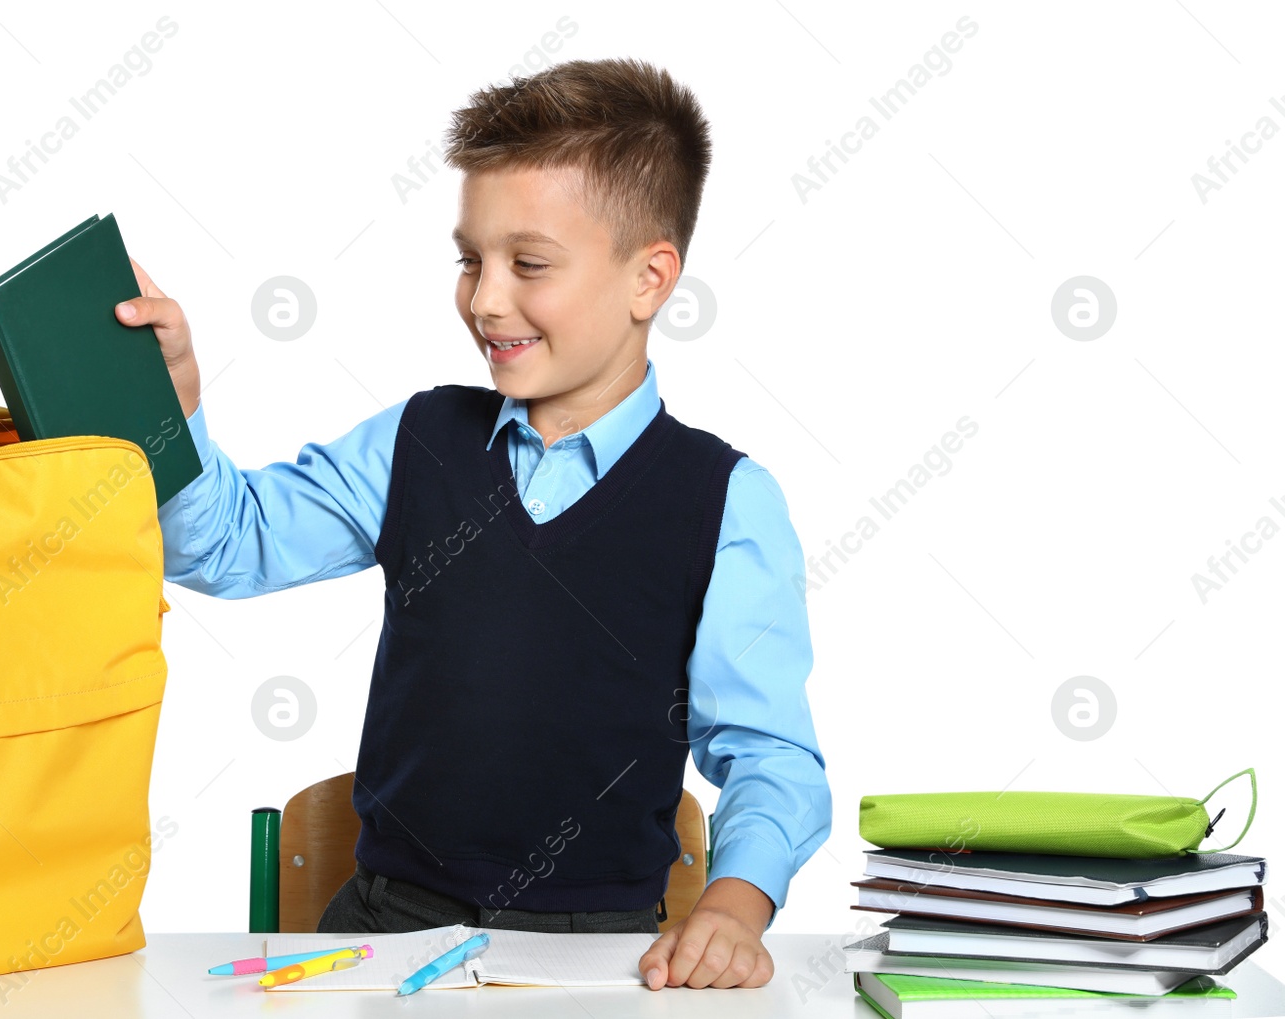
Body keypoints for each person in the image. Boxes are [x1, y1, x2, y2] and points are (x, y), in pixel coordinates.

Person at [114, 56, 831, 991]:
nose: (485, 298)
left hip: (601, 952)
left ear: (650, 278)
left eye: (527, 264)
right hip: (384, 927)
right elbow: (228, 543)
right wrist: (171, 407)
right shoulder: (416, 440)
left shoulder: (725, 497)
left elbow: (771, 752)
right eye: (471, 259)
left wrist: (736, 904)